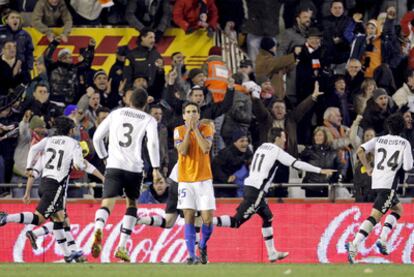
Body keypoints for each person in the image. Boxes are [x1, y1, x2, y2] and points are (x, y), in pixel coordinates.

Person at [213, 127, 336, 262]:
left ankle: (272, 253)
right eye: (283, 137)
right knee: (236, 222)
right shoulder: (277, 151)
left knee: (268, 217)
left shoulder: (262, 147)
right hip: (257, 191)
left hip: (251, 187)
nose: (285, 140)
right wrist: (320, 170)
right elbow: (297, 164)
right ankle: (205, 221)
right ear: (277, 138)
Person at [0, 116, 87, 262]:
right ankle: (6, 218)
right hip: (56, 187)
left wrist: (29, 166)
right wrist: (80, 164)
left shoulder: (49, 140)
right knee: (39, 219)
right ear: (70, 130)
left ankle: (68, 254)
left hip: (45, 183)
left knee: (60, 219)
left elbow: (33, 148)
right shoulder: (74, 143)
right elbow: (79, 165)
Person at [91, 88, 162, 262]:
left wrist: (104, 158)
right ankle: (122, 246)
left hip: (114, 165)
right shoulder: (149, 119)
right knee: (131, 204)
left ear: (129, 100)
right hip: (134, 168)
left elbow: (97, 138)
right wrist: (155, 167)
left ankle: (99, 227)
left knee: (107, 202)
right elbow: (152, 143)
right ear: (146, 104)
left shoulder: (116, 113)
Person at [346, 113, 414, 263]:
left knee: (398, 210)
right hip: (388, 184)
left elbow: (360, 151)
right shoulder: (404, 143)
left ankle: (382, 239)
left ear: (388, 126)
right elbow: (409, 167)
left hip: (376, 181)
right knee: (375, 217)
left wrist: (368, 167)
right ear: (402, 127)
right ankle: (354, 244)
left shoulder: (378, 139)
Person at [23, 142, 104, 256]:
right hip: (54, 193)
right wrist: (104, 179)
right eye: (81, 154)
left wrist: (27, 192)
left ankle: (70, 251)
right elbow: (89, 167)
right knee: (58, 222)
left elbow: (89, 167)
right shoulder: (68, 157)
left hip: (54, 192)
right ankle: (72, 252)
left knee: (61, 222)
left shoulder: (59, 155)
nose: (81, 158)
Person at [174, 102, 215, 264]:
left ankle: (203, 245)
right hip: (185, 180)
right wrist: (189, 131)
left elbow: (205, 148)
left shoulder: (206, 129)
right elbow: (182, 151)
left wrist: (195, 129)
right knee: (188, 217)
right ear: (184, 115)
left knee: (207, 219)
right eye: (188, 112)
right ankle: (191, 255)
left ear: (198, 115)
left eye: (194, 112)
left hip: (204, 180)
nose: (191, 114)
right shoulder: (179, 130)